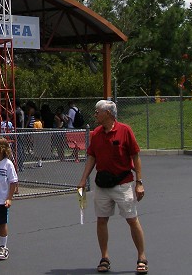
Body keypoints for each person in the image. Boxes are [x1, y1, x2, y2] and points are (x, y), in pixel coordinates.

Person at [77, 100, 148, 274]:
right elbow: (92, 157)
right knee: (101, 220)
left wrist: (139, 182)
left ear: (107, 113)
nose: (95, 115)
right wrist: (83, 180)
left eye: (97, 112)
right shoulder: (97, 134)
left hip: (123, 183)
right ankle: (105, 257)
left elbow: (135, 156)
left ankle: (141, 257)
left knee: (132, 219)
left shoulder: (125, 130)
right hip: (102, 184)